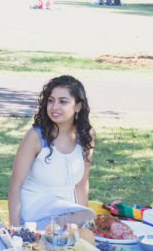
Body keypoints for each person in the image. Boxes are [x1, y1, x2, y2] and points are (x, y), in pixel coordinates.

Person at [7, 76, 95, 228]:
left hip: (68, 214)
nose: (54, 107)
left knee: (88, 217)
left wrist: (83, 222)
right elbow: (15, 186)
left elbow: (82, 184)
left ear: (78, 106)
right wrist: (16, 229)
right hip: (35, 210)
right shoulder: (35, 137)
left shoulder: (86, 135)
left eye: (63, 101)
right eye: (50, 100)